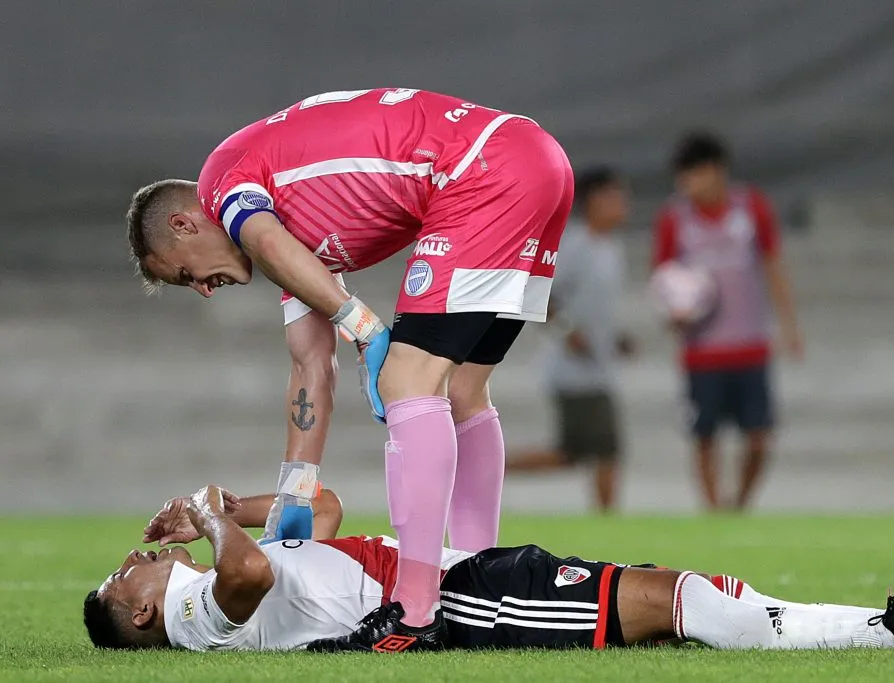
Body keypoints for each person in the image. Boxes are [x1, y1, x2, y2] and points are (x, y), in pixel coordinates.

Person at [124, 88, 574, 650]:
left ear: (184, 225)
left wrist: (365, 328)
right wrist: (295, 491)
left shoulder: (224, 188)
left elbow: (266, 241)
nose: (202, 290)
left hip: (480, 173)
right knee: (461, 392)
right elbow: (311, 363)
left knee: (406, 381)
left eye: (183, 274)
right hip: (535, 161)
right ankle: (481, 577)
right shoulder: (287, 230)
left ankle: (416, 613)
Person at [83, 485, 894, 653]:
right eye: (119, 581)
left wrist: (224, 507)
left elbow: (317, 510)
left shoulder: (204, 574)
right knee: (677, 599)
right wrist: (208, 518)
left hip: (458, 575)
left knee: (686, 596)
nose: (129, 564)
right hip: (456, 609)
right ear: (139, 616)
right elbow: (247, 576)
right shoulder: (195, 616)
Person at [652, 132, 803, 511]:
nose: (686, 184)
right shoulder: (675, 219)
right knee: (704, 435)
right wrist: (674, 315)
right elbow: (663, 279)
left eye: (693, 174)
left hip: (749, 343)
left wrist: (790, 327)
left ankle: (740, 504)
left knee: (759, 436)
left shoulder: (751, 209)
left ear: (716, 170)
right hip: (702, 351)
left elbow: (773, 266)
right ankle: (713, 509)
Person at [506, 167, 633, 511]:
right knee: (602, 451)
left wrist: (615, 338)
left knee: (576, 453)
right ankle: (607, 519)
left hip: (598, 367)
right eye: (615, 196)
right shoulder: (575, 245)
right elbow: (539, 294)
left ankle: (488, 467)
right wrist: (568, 332)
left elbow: (594, 308)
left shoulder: (610, 248)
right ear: (594, 200)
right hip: (572, 371)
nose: (623, 203)